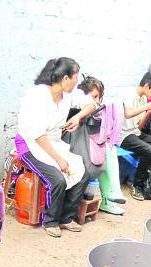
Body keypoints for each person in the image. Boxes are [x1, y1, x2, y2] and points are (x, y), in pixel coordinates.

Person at [16, 57, 98, 238]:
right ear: (65, 78)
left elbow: (91, 103)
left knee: (82, 172)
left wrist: (77, 117)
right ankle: (50, 221)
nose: (78, 81)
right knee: (58, 179)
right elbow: (37, 135)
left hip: (53, 142)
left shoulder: (69, 95)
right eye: (75, 76)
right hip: (31, 143)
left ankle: (66, 218)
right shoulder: (38, 96)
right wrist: (59, 160)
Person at [75, 75, 125, 216]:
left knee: (108, 149)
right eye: (94, 97)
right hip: (78, 145)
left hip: (90, 145)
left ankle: (111, 196)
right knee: (105, 152)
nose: (97, 101)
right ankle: (111, 195)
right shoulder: (77, 106)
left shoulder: (97, 110)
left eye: (99, 97)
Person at [119, 69, 151, 200]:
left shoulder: (144, 98)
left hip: (134, 132)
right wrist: (146, 107)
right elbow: (128, 114)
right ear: (146, 86)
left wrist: (150, 112)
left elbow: (138, 126)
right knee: (148, 150)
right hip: (123, 135)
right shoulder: (129, 94)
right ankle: (137, 185)